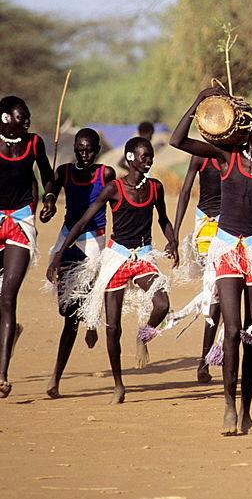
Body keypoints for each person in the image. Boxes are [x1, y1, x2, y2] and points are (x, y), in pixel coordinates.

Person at [170, 87, 252, 435]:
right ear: (248, 128)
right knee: (231, 331)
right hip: (227, 248)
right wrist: (198, 100)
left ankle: (247, 411)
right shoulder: (225, 155)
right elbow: (177, 140)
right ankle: (228, 407)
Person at [48, 137, 177, 404]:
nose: (149, 160)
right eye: (144, 156)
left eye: (150, 156)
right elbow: (83, 219)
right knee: (112, 328)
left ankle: (144, 336)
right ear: (130, 158)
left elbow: (163, 218)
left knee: (162, 304)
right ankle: (119, 385)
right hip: (116, 257)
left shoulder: (155, 188)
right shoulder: (114, 188)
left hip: (142, 256)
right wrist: (59, 254)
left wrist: (172, 240)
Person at [40, 128, 114, 398]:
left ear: (97, 150)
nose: (84, 155)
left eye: (89, 150)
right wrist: (48, 202)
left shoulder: (105, 174)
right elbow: (51, 187)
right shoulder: (64, 171)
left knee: (70, 318)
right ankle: (88, 314)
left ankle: (55, 379)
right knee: (64, 308)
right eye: (80, 150)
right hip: (66, 235)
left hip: (93, 239)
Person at [0, 96, 55, 398]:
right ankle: (11, 331)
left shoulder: (34, 144)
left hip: (21, 221)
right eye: (23, 116)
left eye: (29, 116)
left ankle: (2, 375)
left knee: (8, 295)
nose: (28, 120)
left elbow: (48, 178)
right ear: (6, 117)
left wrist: (49, 199)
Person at [173, 153, 223, 383]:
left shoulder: (240, 154)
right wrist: (173, 235)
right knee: (216, 292)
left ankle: (214, 353)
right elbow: (184, 193)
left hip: (234, 225)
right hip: (205, 226)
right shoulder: (201, 155)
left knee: (222, 293)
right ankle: (207, 358)